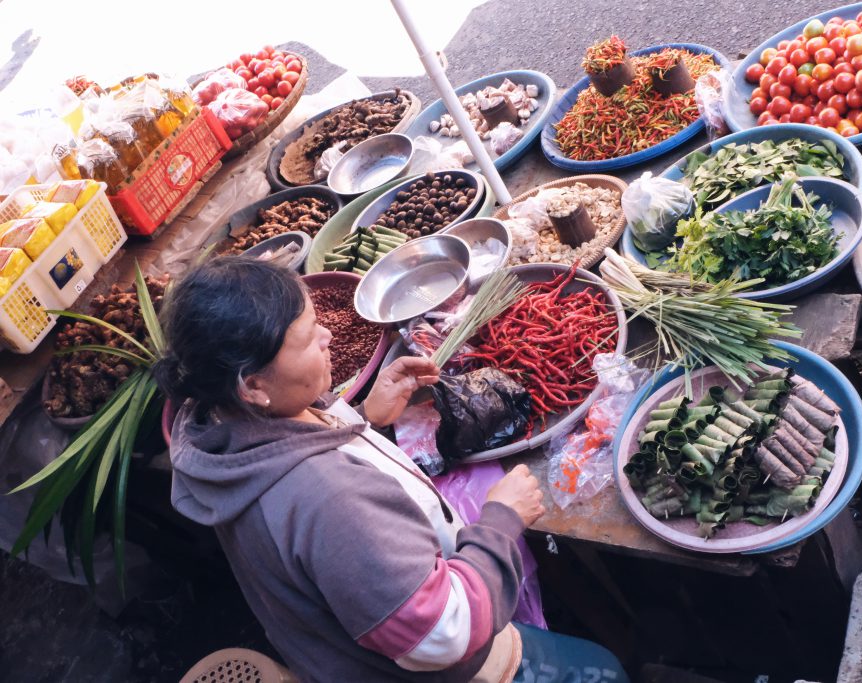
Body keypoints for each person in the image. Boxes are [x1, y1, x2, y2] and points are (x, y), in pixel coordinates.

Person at [154, 256, 628, 683]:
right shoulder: (327, 501)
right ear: (253, 385)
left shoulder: (222, 429)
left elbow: (302, 454)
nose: (328, 336)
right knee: (604, 671)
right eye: (306, 336)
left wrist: (362, 419)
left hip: (350, 644)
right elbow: (444, 633)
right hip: (443, 666)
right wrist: (499, 522)